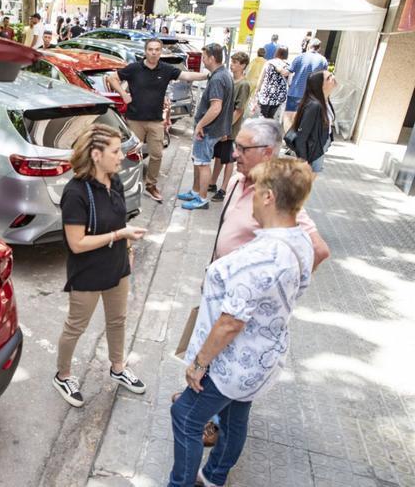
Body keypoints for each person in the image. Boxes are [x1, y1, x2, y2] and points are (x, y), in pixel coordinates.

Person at [169, 157, 317, 487]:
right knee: (236, 415)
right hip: (261, 356)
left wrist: (198, 364)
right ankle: (214, 476)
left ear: (268, 198)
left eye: (257, 191)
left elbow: (230, 323)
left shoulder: (262, 257)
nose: (250, 197)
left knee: (185, 419)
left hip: (231, 362)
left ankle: (180, 483)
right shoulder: (299, 240)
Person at [53, 124, 148, 408]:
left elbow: (119, 220)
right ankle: (63, 375)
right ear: (96, 154)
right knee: (76, 326)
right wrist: (120, 236)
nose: (121, 156)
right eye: (116, 151)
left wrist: (127, 248)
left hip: (117, 264)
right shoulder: (76, 193)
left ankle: (118, 368)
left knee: (117, 320)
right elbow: (77, 243)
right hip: (88, 271)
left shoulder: (114, 180)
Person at [215, 118, 330, 267]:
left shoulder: (279, 196)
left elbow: (319, 250)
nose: (235, 154)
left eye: (243, 149)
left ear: (267, 152)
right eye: (235, 146)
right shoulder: (236, 181)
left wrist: (281, 283)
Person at [106, 38, 208, 203]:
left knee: (157, 154)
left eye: (157, 50)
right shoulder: (134, 68)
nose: (154, 52)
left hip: (155, 121)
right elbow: (112, 78)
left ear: (161, 52)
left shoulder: (166, 69)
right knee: (129, 156)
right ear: (146, 51)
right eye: (151, 49)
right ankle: (124, 186)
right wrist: (123, 94)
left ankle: (150, 185)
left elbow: (187, 75)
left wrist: (208, 74)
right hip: (135, 120)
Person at [176, 43, 234, 211]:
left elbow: (216, 107)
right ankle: (195, 192)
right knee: (199, 161)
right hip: (214, 129)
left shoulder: (217, 78)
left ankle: (201, 198)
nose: (202, 60)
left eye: (204, 57)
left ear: (212, 58)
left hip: (208, 130)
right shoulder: (223, 74)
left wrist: (200, 125)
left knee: (202, 163)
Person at [209, 52, 250, 203]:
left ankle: (224, 188)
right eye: (231, 62)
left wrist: (226, 128)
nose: (231, 65)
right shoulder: (232, 80)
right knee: (219, 156)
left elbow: (239, 110)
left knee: (229, 160)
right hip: (223, 127)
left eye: (235, 62)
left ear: (243, 65)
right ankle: (212, 183)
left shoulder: (243, 84)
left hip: (231, 129)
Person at [291, 70, 337, 173]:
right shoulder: (314, 106)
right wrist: (303, 162)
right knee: (309, 181)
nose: (333, 78)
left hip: (320, 147)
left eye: (331, 75)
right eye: (328, 78)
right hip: (313, 151)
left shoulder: (325, 101)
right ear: (320, 85)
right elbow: (301, 137)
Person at [285, 39, 328, 129]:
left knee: (289, 117)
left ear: (309, 46)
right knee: (304, 119)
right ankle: (298, 140)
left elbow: (287, 72)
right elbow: (324, 78)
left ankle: (287, 139)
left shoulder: (300, 57)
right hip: (311, 95)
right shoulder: (323, 60)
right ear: (319, 48)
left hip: (295, 92)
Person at [254, 46, 290, 119]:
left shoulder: (269, 63)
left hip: (266, 93)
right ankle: (269, 127)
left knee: (262, 115)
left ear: (277, 52)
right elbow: (289, 81)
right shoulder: (288, 65)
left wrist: (256, 90)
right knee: (271, 116)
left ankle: (262, 128)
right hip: (279, 95)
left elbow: (261, 78)